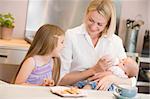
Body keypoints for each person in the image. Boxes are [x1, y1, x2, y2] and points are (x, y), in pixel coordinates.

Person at [59, 0, 137, 90]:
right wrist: (93, 70)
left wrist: (112, 78)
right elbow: (61, 79)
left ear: (108, 24)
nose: (93, 27)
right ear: (86, 13)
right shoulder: (71, 36)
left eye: (100, 24)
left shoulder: (115, 41)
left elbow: (131, 80)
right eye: (91, 20)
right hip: (75, 92)